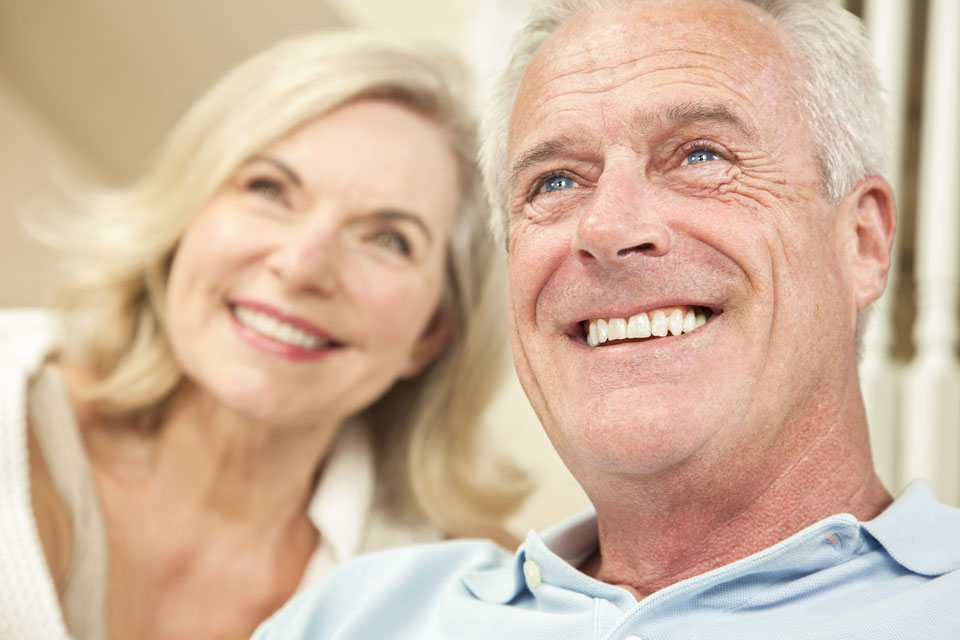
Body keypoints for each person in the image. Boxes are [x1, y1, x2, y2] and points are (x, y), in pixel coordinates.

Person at [252, 0, 960, 638]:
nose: (608, 225)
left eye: (701, 154)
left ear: (861, 242)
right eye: (555, 181)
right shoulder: (354, 616)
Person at [0, 30, 527, 640]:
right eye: (269, 189)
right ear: (187, 215)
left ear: (430, 334)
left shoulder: (471, 601)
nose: (301, 265)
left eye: (387, 239)